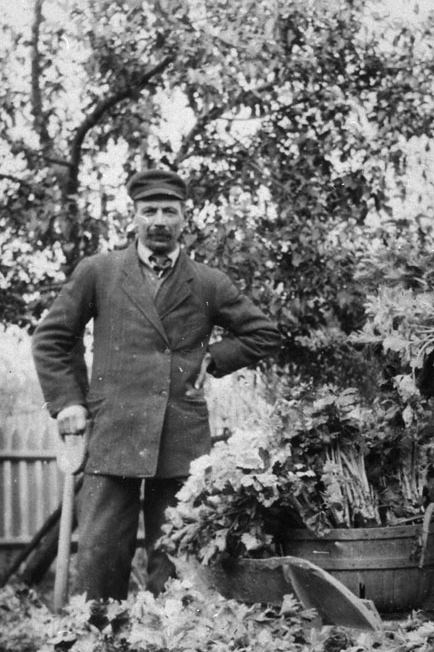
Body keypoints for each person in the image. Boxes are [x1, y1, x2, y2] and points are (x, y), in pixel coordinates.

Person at [32, 168, 281, 601]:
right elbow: (53, 338)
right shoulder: (100, 272)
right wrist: (69, 402)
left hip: (180, 436)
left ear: (186, 218)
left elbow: (264, 334)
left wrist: (215, 357)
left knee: (177, 556)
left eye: (170, 210)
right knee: (100, 557)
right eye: (150, 210)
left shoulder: (207, 282)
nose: (159, 220)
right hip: (113, 432)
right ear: (134, 217)